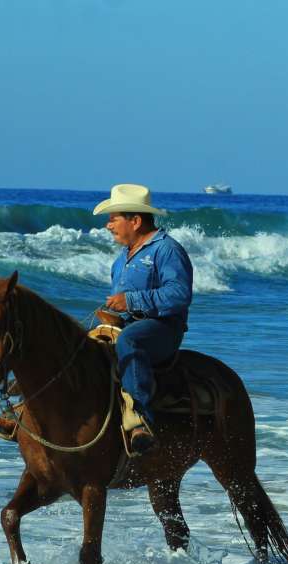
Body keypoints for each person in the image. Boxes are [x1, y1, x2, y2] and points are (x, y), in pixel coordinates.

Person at [94, 183, 194, 452]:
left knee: (130, 340)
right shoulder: (121, 259)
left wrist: (131, 300)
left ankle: (140, 420)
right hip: (129, 324)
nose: (108, 225)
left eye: (113, 219)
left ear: (135, 221)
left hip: (163, 329)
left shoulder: (167, 250)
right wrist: (115, 313)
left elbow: (179, 295)